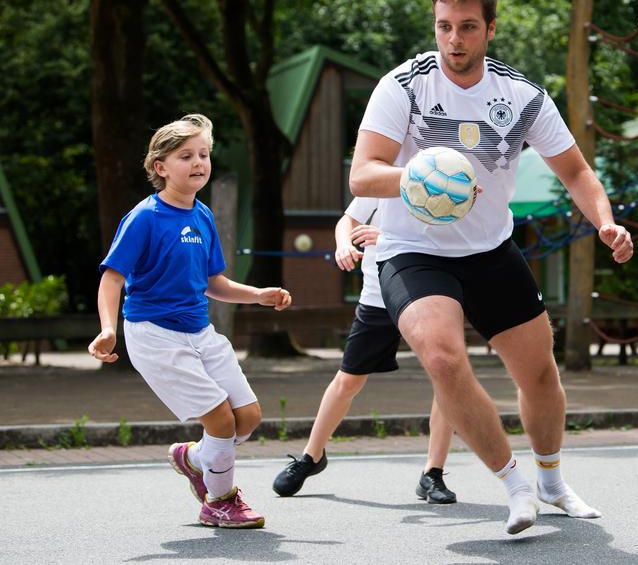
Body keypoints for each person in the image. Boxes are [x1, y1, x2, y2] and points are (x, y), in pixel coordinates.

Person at [348, 0, 633, 535]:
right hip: (413, 250)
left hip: (489, 248)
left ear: (490, 29)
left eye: (468, 27)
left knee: (540, 375)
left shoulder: (523, 96)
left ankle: (550, 480)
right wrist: (421, 176)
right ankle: (514, 484)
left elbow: (575, 171)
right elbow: (362, 176)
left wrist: (605, 222)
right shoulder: (402, 87)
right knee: (442, 358)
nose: (454, 39)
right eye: (444, 27)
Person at [88, 114, 292, 529]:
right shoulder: (144, 218)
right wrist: (109, 329)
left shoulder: (202, 216)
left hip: (200, 332)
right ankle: (220, 501)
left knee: (247, 417)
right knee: (219, 419)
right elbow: (113, 278)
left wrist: (257, 295)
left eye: (204, 154)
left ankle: (194, 458)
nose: (199, 162)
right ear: (160, 167)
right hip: (155, 335)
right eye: (186, 156)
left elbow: (212, 281)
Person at [272, 196, 457, 504]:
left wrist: (385, 238)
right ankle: (311, 456)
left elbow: (455, 237)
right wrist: (344, 244)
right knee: (349, 380)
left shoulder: (443, 172)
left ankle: (432, 472)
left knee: (447, 376)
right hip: (378, 295)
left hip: (428, 293)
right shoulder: (381, 170)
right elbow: (348, 219)